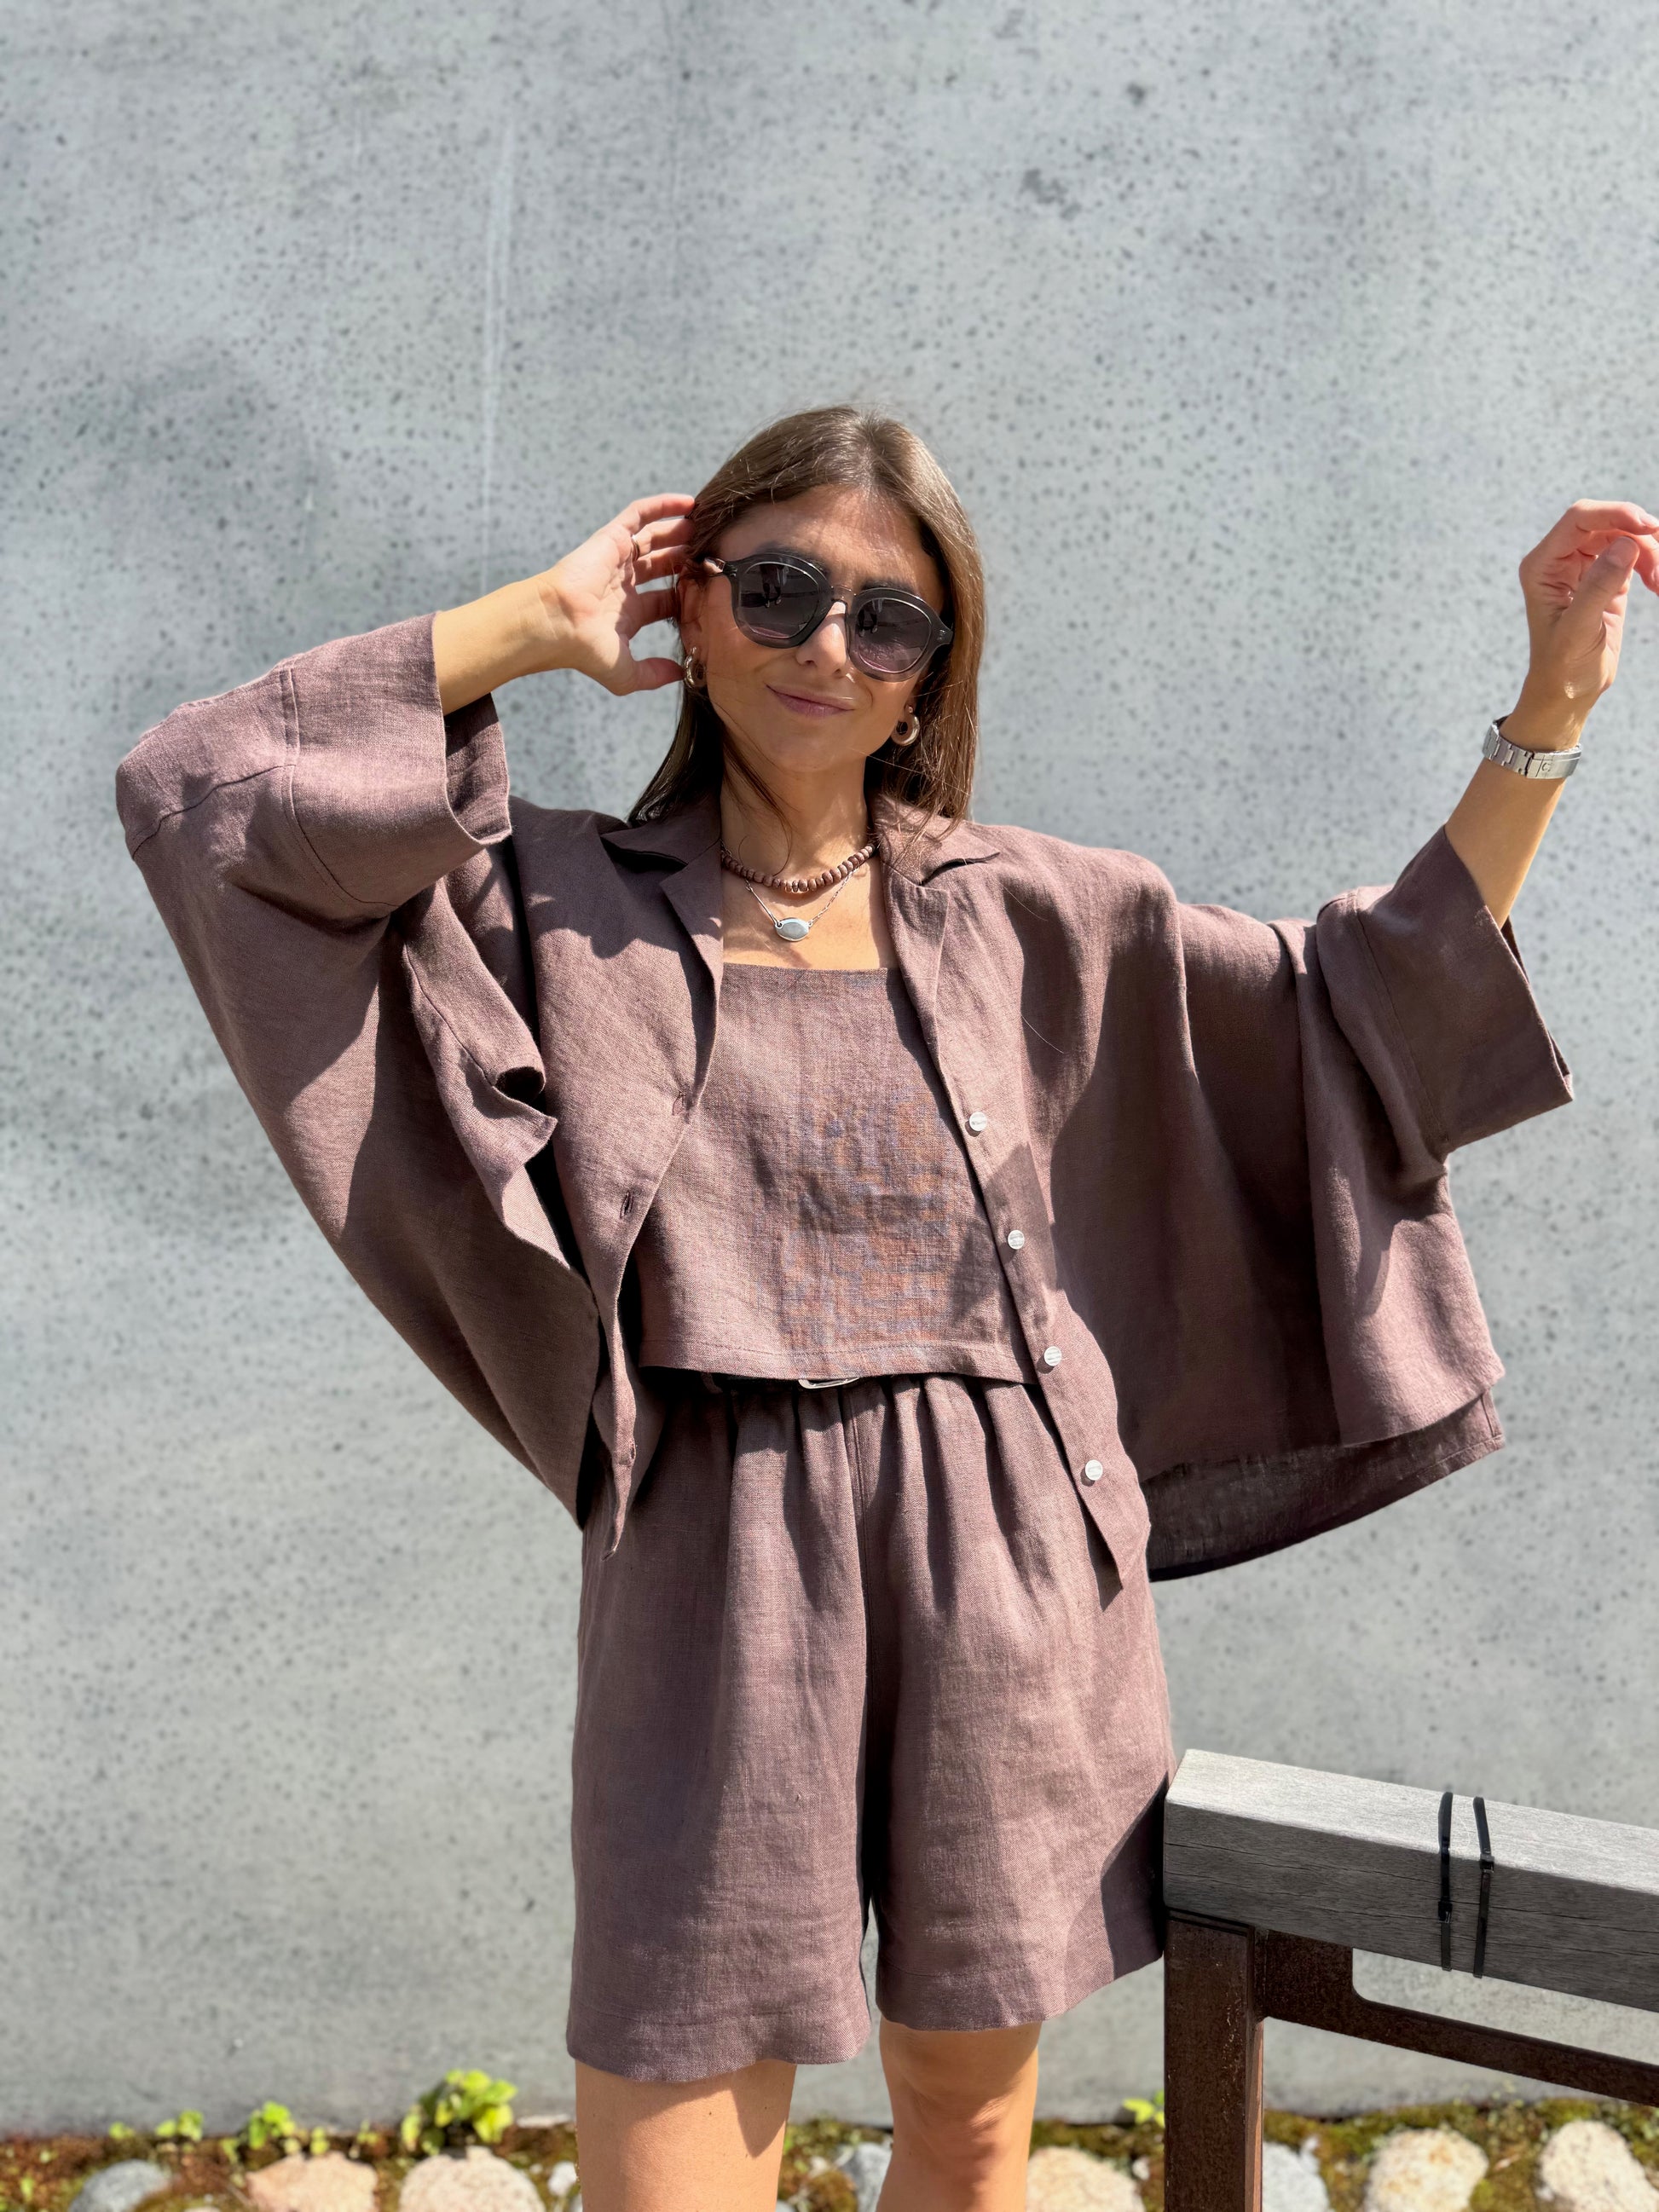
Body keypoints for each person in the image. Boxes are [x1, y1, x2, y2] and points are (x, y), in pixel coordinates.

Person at [117, 406, 1656, 2212]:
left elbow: (1362, 1005)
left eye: (889, 618)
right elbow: (199, 797)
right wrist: (527, 625)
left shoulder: (1042, 911)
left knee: (971, 2127)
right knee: (670, 2157)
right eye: (775, 588)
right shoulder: (541, 898)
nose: (827, 644)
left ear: (931, 673)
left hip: (1008, 1560)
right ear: (692, 607)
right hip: (710, 1571)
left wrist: (1549, 701)